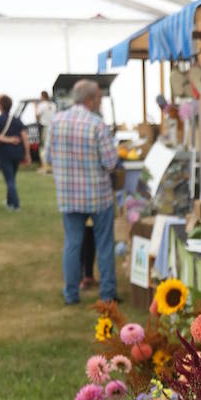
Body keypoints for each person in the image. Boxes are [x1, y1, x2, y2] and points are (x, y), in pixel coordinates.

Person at [48, 78, 119, 305]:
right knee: (105, 244)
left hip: (69, 195)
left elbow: (48, 157)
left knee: (72, 244)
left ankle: (71, 293)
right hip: (98, 195)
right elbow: (110, 162)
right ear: (90, 99)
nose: (99, 102)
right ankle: (107, 294)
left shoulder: (56, 121)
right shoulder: (96, 124)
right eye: (98, 97)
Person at [0, 95, 30, 211]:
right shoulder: (17, 120)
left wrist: (9, 140)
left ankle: (15, 205)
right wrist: (27, 153)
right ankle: (9, 201)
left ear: (0, 105)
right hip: (17, 153)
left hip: (5, 153)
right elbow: (25, 137)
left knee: (9, 180)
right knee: (12, 178)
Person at [35, 90, 56, 170]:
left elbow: (37, 116)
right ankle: (51, 164)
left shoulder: (41, 105)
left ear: (42, 96)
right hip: (52, 127)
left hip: (44, 126)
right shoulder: (53, 105)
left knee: (43, 146)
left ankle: (44, 164)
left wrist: (35, 107)